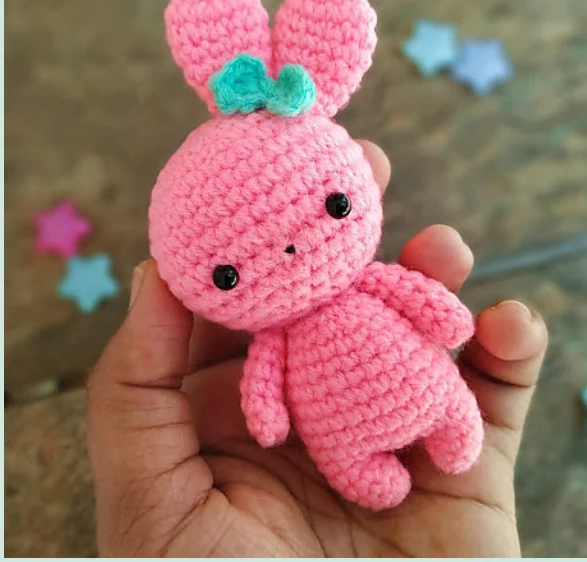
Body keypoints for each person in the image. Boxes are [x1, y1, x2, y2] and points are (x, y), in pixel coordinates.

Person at [86, 141, 548, 557]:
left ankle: (451, 425)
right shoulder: (276, 334)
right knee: (395, 444)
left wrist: (447, 319)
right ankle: (413, 445)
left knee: (452, 411)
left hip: (417, 389)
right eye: (228, 275)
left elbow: (418, 299)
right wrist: (267, 417)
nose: (288, 250)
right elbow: (264, 386)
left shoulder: (363, 285)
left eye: (335, 204)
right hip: (345, 433)